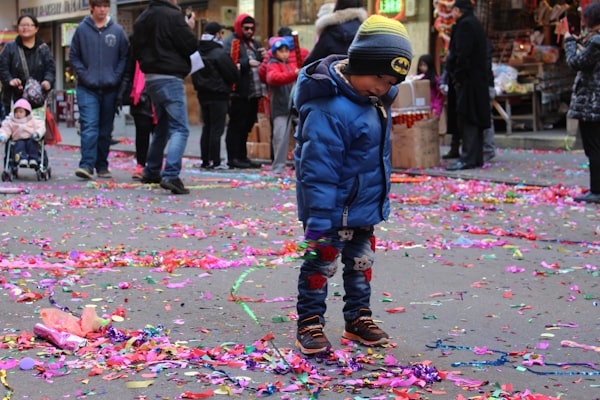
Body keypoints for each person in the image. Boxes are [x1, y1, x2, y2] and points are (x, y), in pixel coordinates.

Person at [293, 14, 412, 354]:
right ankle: (310, 322)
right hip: (328, 211)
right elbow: (317, 168)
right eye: (379, 77)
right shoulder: (327, 106)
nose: (383, 86)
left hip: (362, 208)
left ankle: (358, 317)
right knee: (320, 265)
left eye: (391, 81)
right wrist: (318, 217)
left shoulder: (375, 102)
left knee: (361, 266)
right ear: (360, 63)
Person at [132, 0, 197, 194]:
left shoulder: (143, 17)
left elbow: (134, 47)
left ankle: (152, 170)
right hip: (170, 76)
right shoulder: (172, 16)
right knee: (180, 128)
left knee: (163, 125)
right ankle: (171, 174)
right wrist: (189, 27)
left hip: (151, 78)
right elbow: (190, 45)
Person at [69, 0, 128, 180]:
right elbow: (74, 56)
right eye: (99, 6)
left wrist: (116, 76)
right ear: (92, 7)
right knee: (90, 126)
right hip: (87, 88)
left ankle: (102, 165)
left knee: (105, 129)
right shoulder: (81, 29)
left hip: (110, 88)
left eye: (105, 6)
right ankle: (86, 164)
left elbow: (124, 57)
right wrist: (84, 75)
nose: (102, 10)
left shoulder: (117, 31)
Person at [444, 0, 491, 171]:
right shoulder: (475, 24)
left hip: (468, 80)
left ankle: (468, 158)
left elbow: (462, 54)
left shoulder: (465, 26)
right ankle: (475, 158)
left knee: (468, 118)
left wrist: (458, 76)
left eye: (454, 10)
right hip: (476, 80)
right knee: (473, 119)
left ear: (458, 10)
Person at [565, 2, 600, 204]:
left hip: (592, 103)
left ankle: (596, 189)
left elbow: (575, 63)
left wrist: (569, 43)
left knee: (594, 147)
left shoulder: (596, 42)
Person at [192, 21, 239, 170]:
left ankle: (205, 160)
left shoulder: (197, 52)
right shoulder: (219, 53)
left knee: (207, 127)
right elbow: (232, 74)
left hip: (203, 95)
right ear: (217, 34)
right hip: (219, 95)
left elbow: (193, 74)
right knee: (217, 129)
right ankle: (216, 161)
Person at [223, 13, 265, 169]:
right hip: (239, 92)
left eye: (252, 28)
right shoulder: (232, 42)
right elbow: (228, 63)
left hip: (253, 92)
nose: (249, 31)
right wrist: (247, 63)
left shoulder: (254, 43)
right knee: (237, 125)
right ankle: (234, 157)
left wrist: (263, 56)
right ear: (239, 27)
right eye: (246, 28)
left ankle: (242, 156)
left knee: (247, 125)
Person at [0, 15, 55, 120]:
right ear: (18, 28)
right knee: (13, 132)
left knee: (36, 132)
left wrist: (48, 81)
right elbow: (2, 67)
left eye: (29, 25)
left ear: (36, 28)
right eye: (22, 25)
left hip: (36, 100)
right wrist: (10, 80)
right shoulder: (10, 48)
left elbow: (50, 69)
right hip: (14, 99)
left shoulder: (43, 49)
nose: (25, 28)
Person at [117, 36, 155, 180]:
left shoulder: (164, 46)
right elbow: (128, 72)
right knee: (142, 133)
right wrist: (121, 95)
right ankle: (141, 164)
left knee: (159, 134)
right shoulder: (135, 48)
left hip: (158, 95)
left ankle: (154, 165)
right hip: (140, 96)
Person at [266, 38, 299, 175]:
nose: (285, 54)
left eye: (286, 51)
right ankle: (278, 167)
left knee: (301, 137)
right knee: (280, 139)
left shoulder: (290, 65)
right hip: (280, 108)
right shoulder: (272, 65)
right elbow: (274, 78)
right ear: (275, 53)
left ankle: (299, 165)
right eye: (281, 51)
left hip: (294, 107)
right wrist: (293, 74)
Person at [302, 0, 368, 66]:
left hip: (333, 74)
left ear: (338, 6)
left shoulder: (329, 31)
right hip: (361, 74)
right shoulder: (367, 31)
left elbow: (312, 61)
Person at [0, 98, 45, 168]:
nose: (18, 114)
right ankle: (22, 159)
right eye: (16, 112)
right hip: (18, 139)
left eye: (21, 112)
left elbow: (41, 127)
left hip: (31, 137)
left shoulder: (32, 120)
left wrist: (37, 133)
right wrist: (3, 136)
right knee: (19, 146)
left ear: (26, 112)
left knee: (32, 144)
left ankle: (33, 159)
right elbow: (6, 129)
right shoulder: (11, 121)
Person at [416, 54, 444, 118]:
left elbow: (439, 96)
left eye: (424, 65)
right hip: (420, 109)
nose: (422, 67)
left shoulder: (435, 80)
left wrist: (436, 108)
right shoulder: (417, 78)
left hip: (432, 108)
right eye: (421, 65)